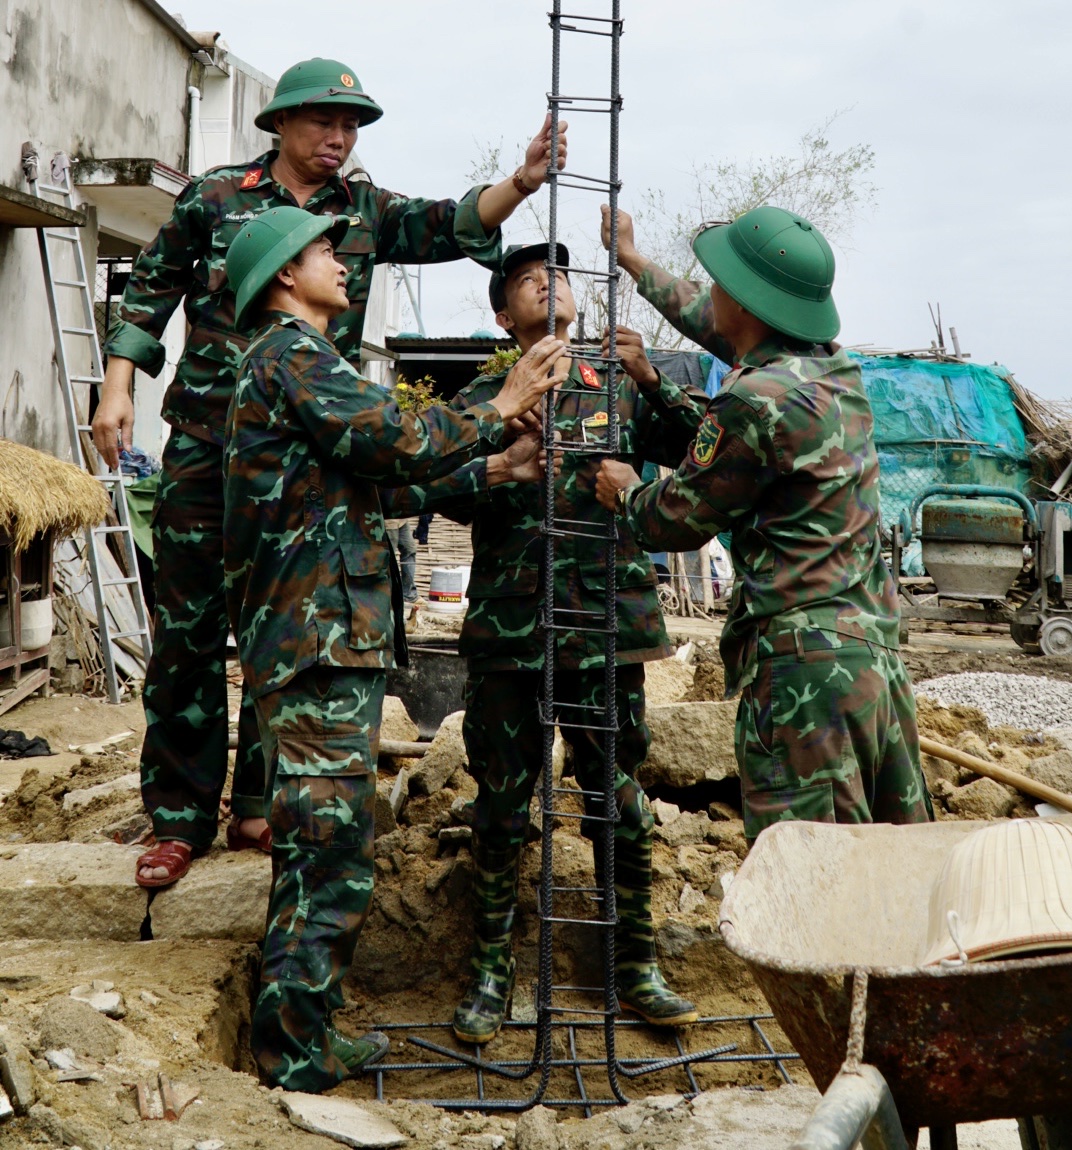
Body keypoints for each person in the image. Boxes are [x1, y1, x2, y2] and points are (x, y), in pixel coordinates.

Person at [91, 55, 567, 889]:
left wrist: (521, 184)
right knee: (190, 634)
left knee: (290, 630)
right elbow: (149, 293)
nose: (339, 139)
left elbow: (452, 224)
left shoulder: (363, 208)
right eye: (324, 123)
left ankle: (260, 802)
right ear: (279, 125)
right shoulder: (215, 198)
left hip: (314, 462)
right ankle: (177, 814)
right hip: (209, 445)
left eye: (351, 127)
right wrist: (118, 388)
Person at [222, 207, 566, 1091]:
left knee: (324, 840)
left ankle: (305, 1026)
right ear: (286, 276)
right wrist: (499, 409)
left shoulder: (301, 363)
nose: (343, 260)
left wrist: (494, 467)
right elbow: (393, 439)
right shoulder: (291, 355)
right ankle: (296, 1052)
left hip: (324, 633)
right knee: (328, 846)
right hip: (317, 636)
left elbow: (375, 478)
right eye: (325, 250)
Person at [386, 242, 707, 1043]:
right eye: (528, 279)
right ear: (504, 315)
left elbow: (713, 455)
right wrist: (497, 465)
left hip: (606, 631)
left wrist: (654, 380)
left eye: (558, 274)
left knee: (617, 800)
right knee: (500, 807)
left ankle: (634, 965)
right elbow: (414, 487)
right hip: (511, 634)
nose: (547, 283)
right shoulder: (484, 395)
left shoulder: (621, 383)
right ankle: (491, 973)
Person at [595, 205, 933, 846]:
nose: (712, 294)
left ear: (745, 303)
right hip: (871, 661)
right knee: (895, 864)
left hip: (803, 677)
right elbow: (723, 356)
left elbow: (678, 519)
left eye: (721, 283)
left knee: (812, 871)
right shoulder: (835, 374)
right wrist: (634, 263)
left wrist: (627, 490)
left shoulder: (754, 400)